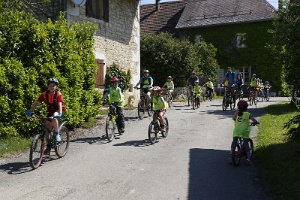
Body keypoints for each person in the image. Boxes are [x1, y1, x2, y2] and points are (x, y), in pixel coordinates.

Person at [26, 78, 66, 144]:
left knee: (54, 116)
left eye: (53, 86)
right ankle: (48, 144)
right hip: (50, 111)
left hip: (59, 110)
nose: (51, 87)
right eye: (50, 86)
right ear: (47, 86)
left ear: (56, 87)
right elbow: (37, 103)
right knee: (47, 127)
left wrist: (60, 113)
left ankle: (56, 134)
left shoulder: (58, 94)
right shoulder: (44, 94)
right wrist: (30, 110)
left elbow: (60, 104)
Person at [228, 100, 259, 165]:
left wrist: (237, 121)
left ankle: (231, 153)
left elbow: (233, 118)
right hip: (244, 131)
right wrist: (256, 122)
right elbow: (254, 120)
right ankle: (248, 157)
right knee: (245, 143)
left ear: (238, 107)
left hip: (236, 130)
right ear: (246, 107)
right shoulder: (248, 114)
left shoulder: (236, 113)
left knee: (234, 142)